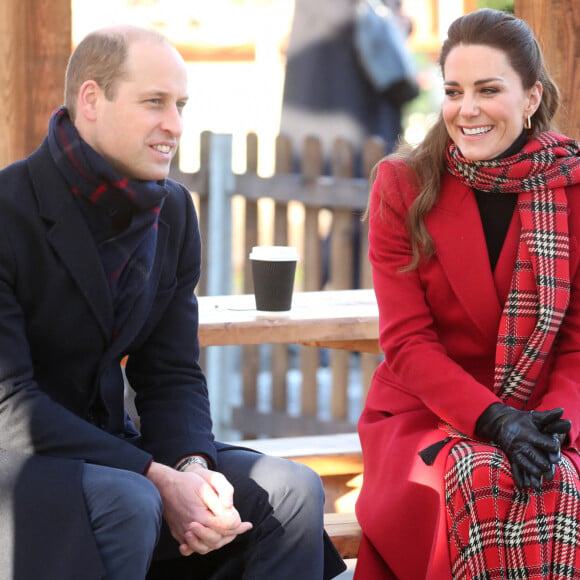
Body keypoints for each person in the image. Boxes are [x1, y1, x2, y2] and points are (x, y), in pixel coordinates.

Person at [0, 25, 346, 580]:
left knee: (292, 492)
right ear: (92, 100)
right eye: (154, 103)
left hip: (117, 453)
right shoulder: (9, 209)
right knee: (131, 500)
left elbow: (171, 373)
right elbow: (9, 407)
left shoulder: (173, 212)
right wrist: (156, 476)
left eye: (181, 105)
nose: (175, 126)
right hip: (19, 462)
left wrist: (192, 467)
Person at [355, 8, 580, 579]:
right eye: (454, 91)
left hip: (548, 412)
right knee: (481, 475)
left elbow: (578, 344)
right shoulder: (403, 184)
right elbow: (407, 344)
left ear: (530, 97)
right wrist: (497, 422)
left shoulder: (573, 187)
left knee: (560, 485)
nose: (467, 109)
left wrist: (557, 430)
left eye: (488, 89)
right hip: (427, 413)